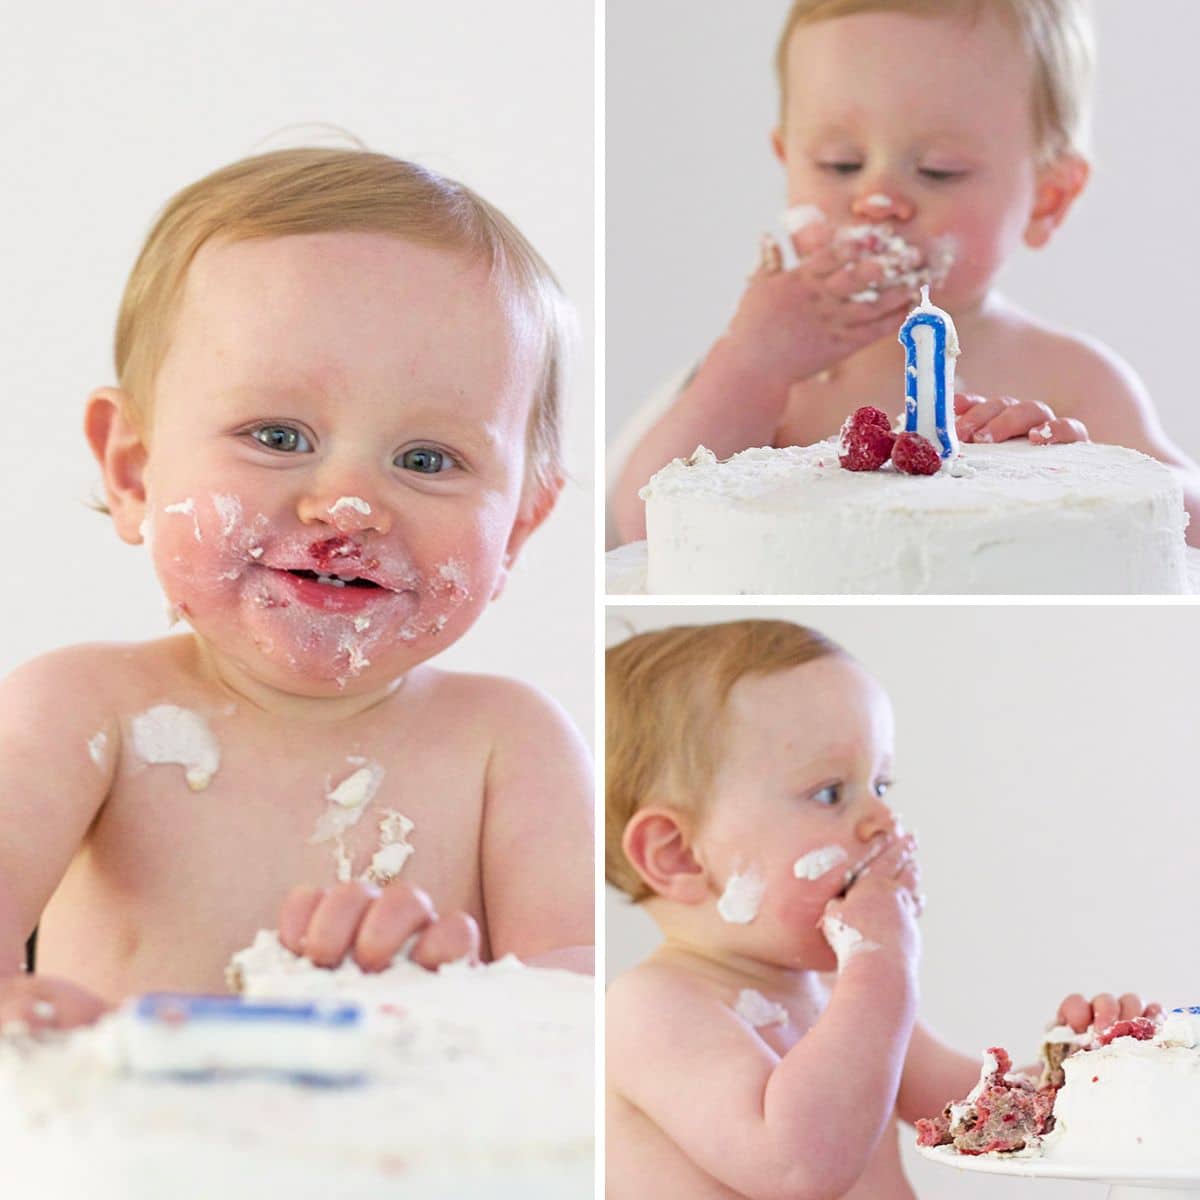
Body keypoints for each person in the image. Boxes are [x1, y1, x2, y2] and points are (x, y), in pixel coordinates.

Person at [0, 147, 594, 1031]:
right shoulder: (82, 712)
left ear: (514, 531)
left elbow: (582, 1005)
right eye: (277, 436)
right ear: (133, 470)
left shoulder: (513, 747)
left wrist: (465, 999)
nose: (349, 506)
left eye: (427, 460)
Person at [611, 0, 1200, 543]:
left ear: (1048, 197)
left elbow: (1189, 521)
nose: (877, 198)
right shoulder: (764, 374)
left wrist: (1093, 476)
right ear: (787, 161)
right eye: (840, 164)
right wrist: (749, 367)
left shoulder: (1074, 379)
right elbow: (642, 528)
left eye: (939, 171)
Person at [606, 618, 1154, 1198]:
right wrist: (881, 965)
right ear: (679, 855)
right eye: (830, 793)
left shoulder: (846, 1003)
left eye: (882, 787)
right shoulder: (651, 1010)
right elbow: (799, 1167)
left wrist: (1085, 1073)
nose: (884, 822)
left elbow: (989, 1116)